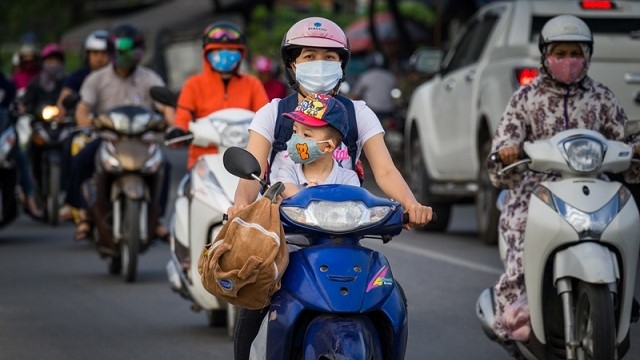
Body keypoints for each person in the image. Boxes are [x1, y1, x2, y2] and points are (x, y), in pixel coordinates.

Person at [229, 16, 433, 360]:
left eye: (329, 56)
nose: (319, 64)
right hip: (285, 241)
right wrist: (240, 207)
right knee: (257, 299)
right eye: (309, 57)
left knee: (391, 294)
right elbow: (251, 172)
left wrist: (411, 204)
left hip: (347, 239)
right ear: (292, 65)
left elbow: (385, 171)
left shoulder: (359, 113)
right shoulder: (273, 113)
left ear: (342, 65)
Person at [487, 15, 640, 343]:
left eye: (576, 53)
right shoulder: (526, 98)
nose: (569, 61)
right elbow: (503, 143)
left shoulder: (602, 96)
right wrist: (508, 152)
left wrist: (634, 150)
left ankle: (624, 293)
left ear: (587, 56)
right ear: (545, 55)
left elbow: (622, 138)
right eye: (561, 53)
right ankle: (517, 305)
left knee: (625, 222)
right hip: (537, 187)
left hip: (595, 183)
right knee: (520, 224)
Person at [65, 23, 174, 242]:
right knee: (80, 161)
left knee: (165, 166)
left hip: (142, 141)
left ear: (140, 52)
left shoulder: (149, 78)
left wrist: (172, 125)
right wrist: (87, 124)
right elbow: (82, 109)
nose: (126, 56)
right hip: (107, 138)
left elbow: (166, 109)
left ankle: (157, 218)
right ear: (112, 52)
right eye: (120, 50)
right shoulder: (96, 79)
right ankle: (83, 212)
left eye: (131, 50)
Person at [174, 20, 269, 169]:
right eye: (218, 50)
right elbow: (183, 116)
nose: (225, 54)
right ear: (206, 54)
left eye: (231, 50)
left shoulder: (252, 84)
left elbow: (266, 117)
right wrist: (179, 131)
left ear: (241, 54)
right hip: (203, 159)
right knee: (186, 191)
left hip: (246, 159)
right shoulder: (193, 84)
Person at [274, 93, 359, 198]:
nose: (296, 139)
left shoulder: (348, 179)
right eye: (295, 131)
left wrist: (315, 195)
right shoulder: (288, 172)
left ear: (328, 146)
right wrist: (308, 196)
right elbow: (292, 196)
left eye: (306, 135)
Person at [56, 29, 110, 118]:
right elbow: (63, 102)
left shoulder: (120, 76)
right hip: (85, 125)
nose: (99, 58)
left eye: (104, 53)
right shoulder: (77, 77)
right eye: (95, 53)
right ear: (87, 54)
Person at [350, 51, 398, 120]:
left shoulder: (366, 76)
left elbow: (355, 95)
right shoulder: (390, 76)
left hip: (372, 110)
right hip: (389, 110)